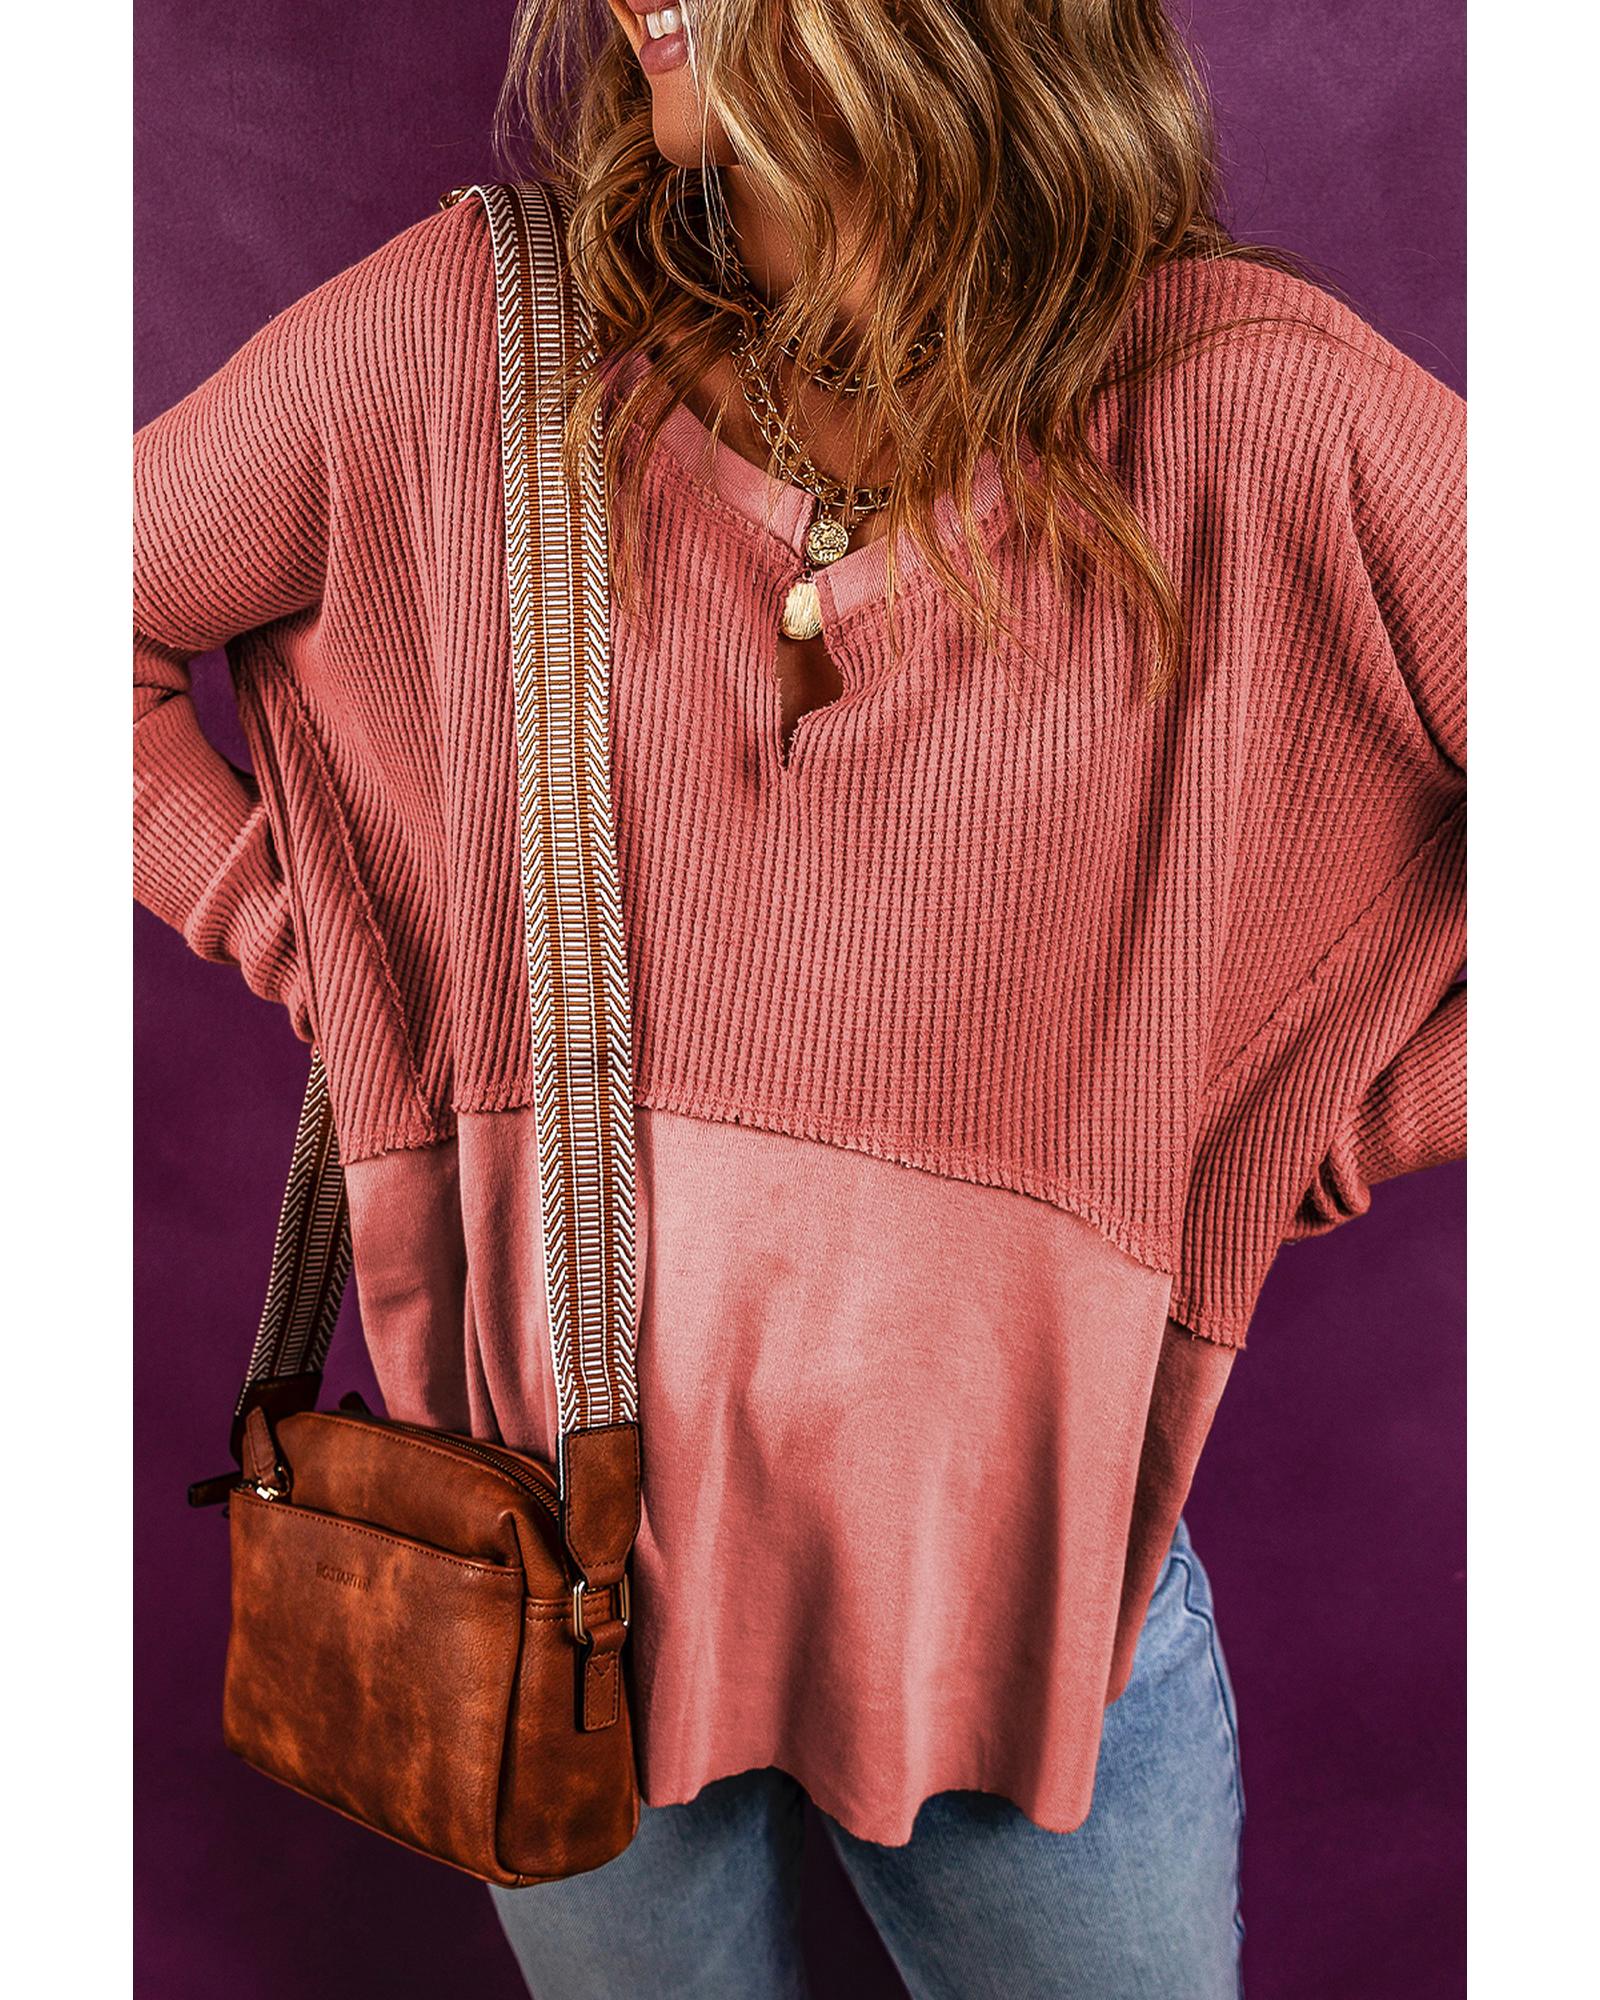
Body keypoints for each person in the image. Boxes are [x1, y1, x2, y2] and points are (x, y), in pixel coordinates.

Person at [133, 2, 1465, 1994]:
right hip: (541, 1576)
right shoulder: (472, 342)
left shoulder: (1254, 413)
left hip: (1012, 1615)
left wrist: (1309, 1138)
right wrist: (311, 940)